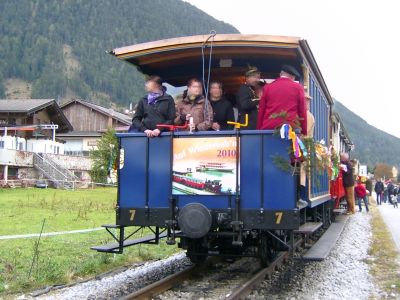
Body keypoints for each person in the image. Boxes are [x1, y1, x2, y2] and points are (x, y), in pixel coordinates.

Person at [257, 65, 307, 135]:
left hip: (268, 128)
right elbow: (302, 112)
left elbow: (261, 110)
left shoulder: (267, 87)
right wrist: (304, 131)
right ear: (293, 77)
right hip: (290, 128)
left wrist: (259, 130)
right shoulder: (298, 88)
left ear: (280, 74)